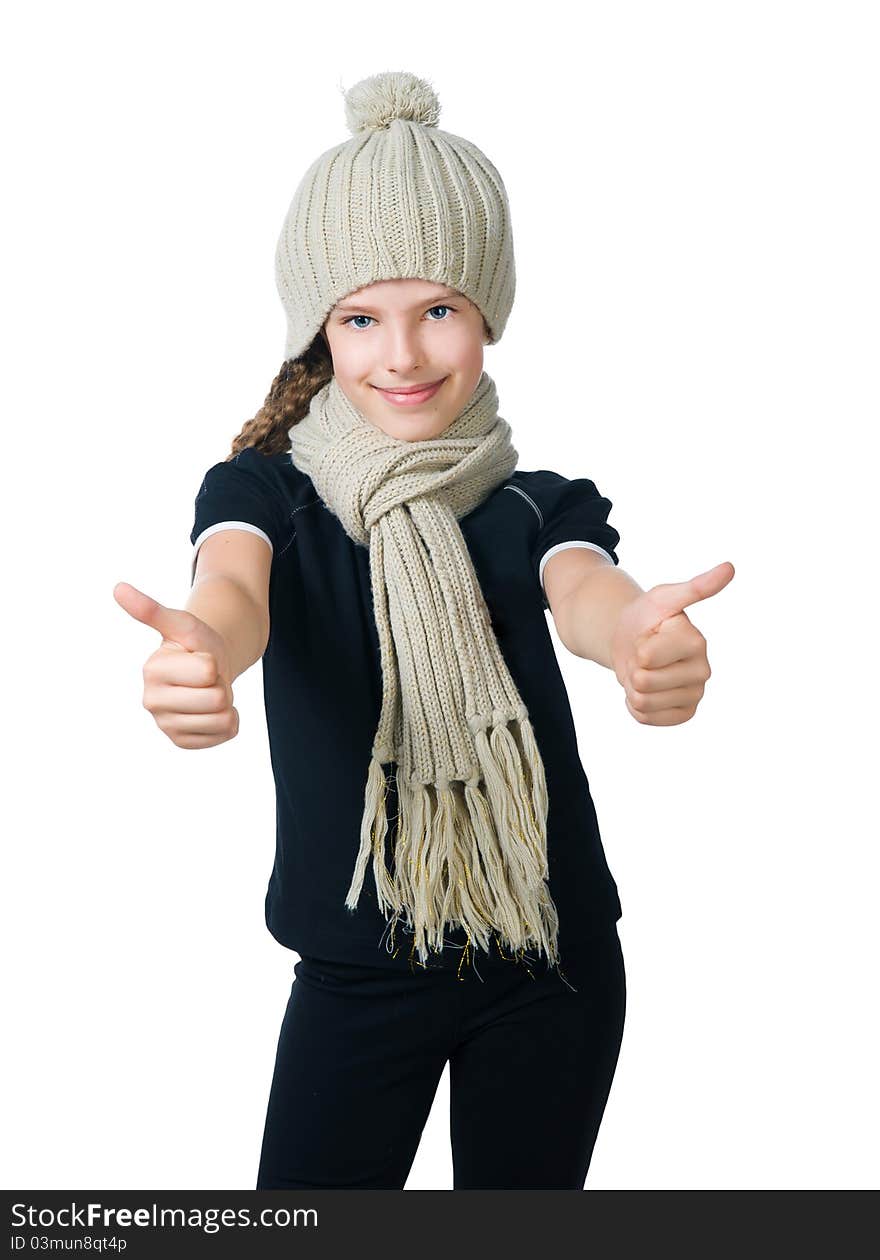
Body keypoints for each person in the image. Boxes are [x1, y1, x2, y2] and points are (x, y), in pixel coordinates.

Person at [114, 70, 733, 1190]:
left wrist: (640, 640)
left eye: (437, 309)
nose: (400, 354)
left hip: (553, 956)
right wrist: (198, 651)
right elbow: (231, 591)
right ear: (321, 330)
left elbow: (588, 590)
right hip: (358, 965)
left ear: (488, 312)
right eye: (360, 319)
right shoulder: (265, 494)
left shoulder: (530, 501)